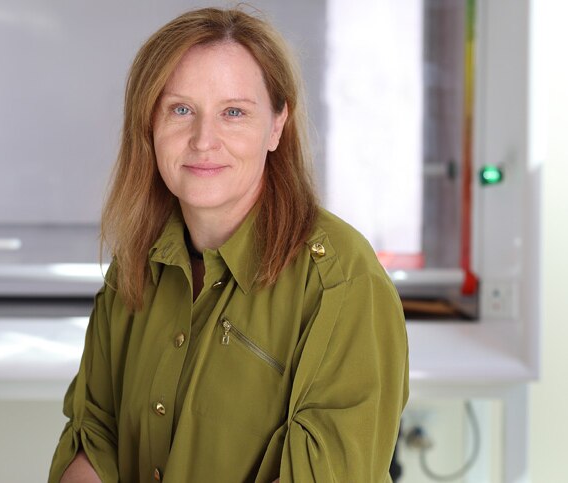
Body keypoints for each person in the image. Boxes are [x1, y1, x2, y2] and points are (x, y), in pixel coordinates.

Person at [49, 7, 408, 483]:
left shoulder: (340, 280)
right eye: (181, 110)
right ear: (149, 123)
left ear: (277, 126)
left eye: (234, 112)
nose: (204, 140)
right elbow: (96, 438)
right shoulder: (137, 263)